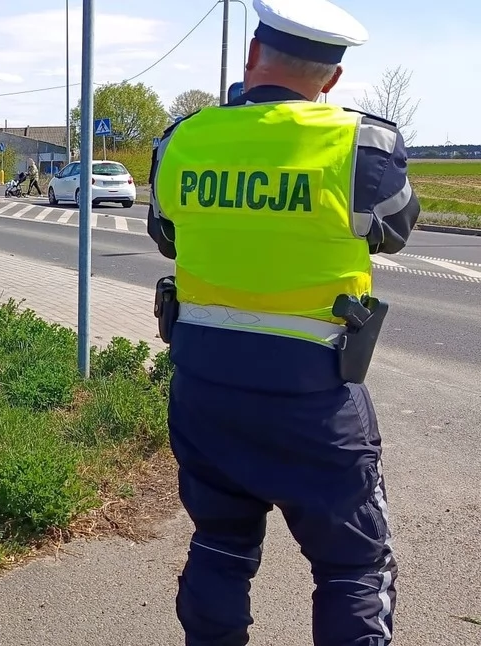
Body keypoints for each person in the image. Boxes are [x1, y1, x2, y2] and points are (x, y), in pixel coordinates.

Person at [146, 0, 420, 644]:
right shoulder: (363, 147)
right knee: (353, 563)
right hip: (314, 398)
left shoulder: (182, 139)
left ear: (251, 58)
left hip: (204, 389)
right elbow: (395, 231)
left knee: (219, 543)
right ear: (331, 81)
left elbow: (166, 234)